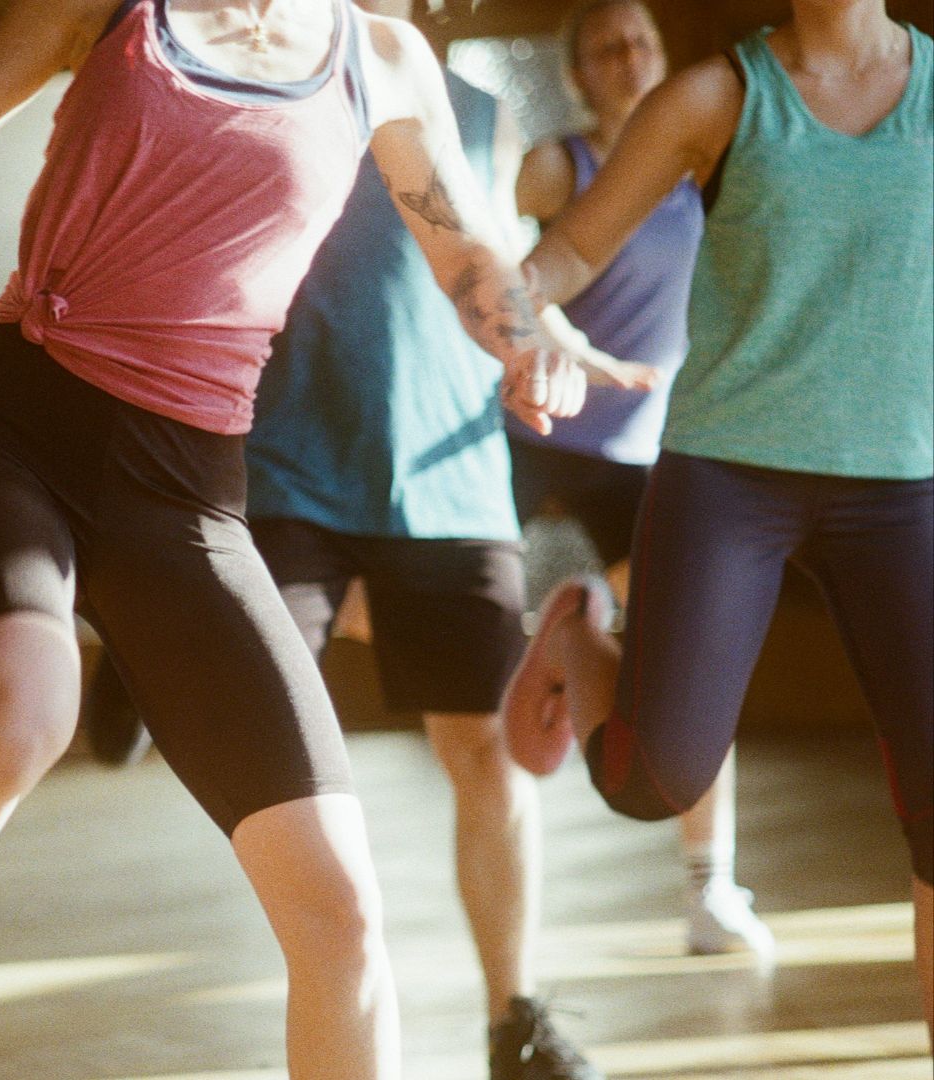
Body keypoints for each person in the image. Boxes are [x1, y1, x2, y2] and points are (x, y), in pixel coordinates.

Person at [0, 1, 649, 1077]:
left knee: (341, 915)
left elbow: (467, 258)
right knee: (17, 724)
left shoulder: (380, 60)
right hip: (20, 435)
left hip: (185, 499)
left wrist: (528, 338)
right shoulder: (118, 10)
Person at [79, 3, 606, 1073]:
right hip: (285, 461)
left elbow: (497, 255)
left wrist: (547, 336)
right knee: (271, 745)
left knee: (489, 753)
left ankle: (517, 1016)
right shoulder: (244, 72)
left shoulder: (476, 112)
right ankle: (139, 647)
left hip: (446, 475)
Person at [507, 0, 932, 1029]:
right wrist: (529, 331)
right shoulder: (716, 98)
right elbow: (557, 261)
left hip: (904, 480)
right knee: (653, 778)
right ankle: (574, 631)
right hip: (730, 475)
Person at [512, 0, 773, 959]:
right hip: (528, 431)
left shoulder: (704, 157)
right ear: (579, 74)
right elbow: (476, 213)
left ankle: (712, 890)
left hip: (636, 453)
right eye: (606, 48)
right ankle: (553, 639)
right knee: (444, 606)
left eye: (643, 43)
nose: (629, 58)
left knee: (693, 659)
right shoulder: (560, 166)